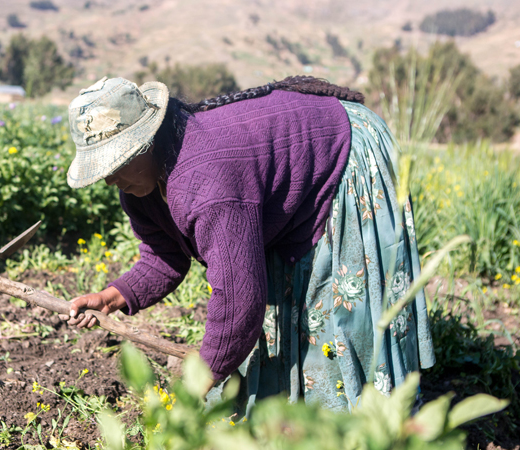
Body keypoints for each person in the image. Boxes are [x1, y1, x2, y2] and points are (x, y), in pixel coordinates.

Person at [60, 75, 435, 414]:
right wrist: (112, 297)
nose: (108, 179)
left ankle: (370, 419)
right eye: (102, 168)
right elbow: (164, 257)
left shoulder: (206, 183)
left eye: (115, 163)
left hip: (344, 147)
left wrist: (200, 382)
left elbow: (240, 302)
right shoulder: (138, 186)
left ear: (145, 144)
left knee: (344, 314)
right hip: (277, 176)